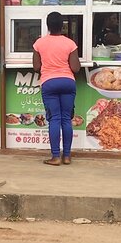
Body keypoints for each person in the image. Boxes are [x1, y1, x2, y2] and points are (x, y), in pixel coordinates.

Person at [32, 11, 81, 165]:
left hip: (49, 83)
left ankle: (55, 157)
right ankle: (66, 156)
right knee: (66, 119)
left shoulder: (39, 43)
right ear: (62, 26)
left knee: (54, 119)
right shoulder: (70, 43)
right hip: (67, 82)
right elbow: (76, 68)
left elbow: (36, 67)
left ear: (48, 26)